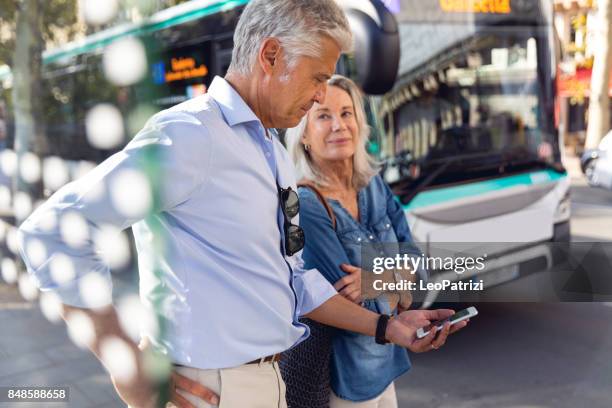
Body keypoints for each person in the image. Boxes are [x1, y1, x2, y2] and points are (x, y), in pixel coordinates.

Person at [18, 1, 461, 407]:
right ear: (270, 56)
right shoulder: (191, 135)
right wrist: (127, 365)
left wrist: (388, 328)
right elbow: (53, 232)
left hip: (270, 380)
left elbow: (295, 281)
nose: (321, 95)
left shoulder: (270, 150)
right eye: (318, 77)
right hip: (212, 389)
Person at [282, 75, 457, 407]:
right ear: (304, 134)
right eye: (324, 116)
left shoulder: (374, 186)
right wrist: (397, 286)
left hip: (385, 369)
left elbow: (419, 266)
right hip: (341, 383)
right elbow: (345, 302)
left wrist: (377, 280)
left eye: (347, 113)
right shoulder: (306, 204)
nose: (339, 125)